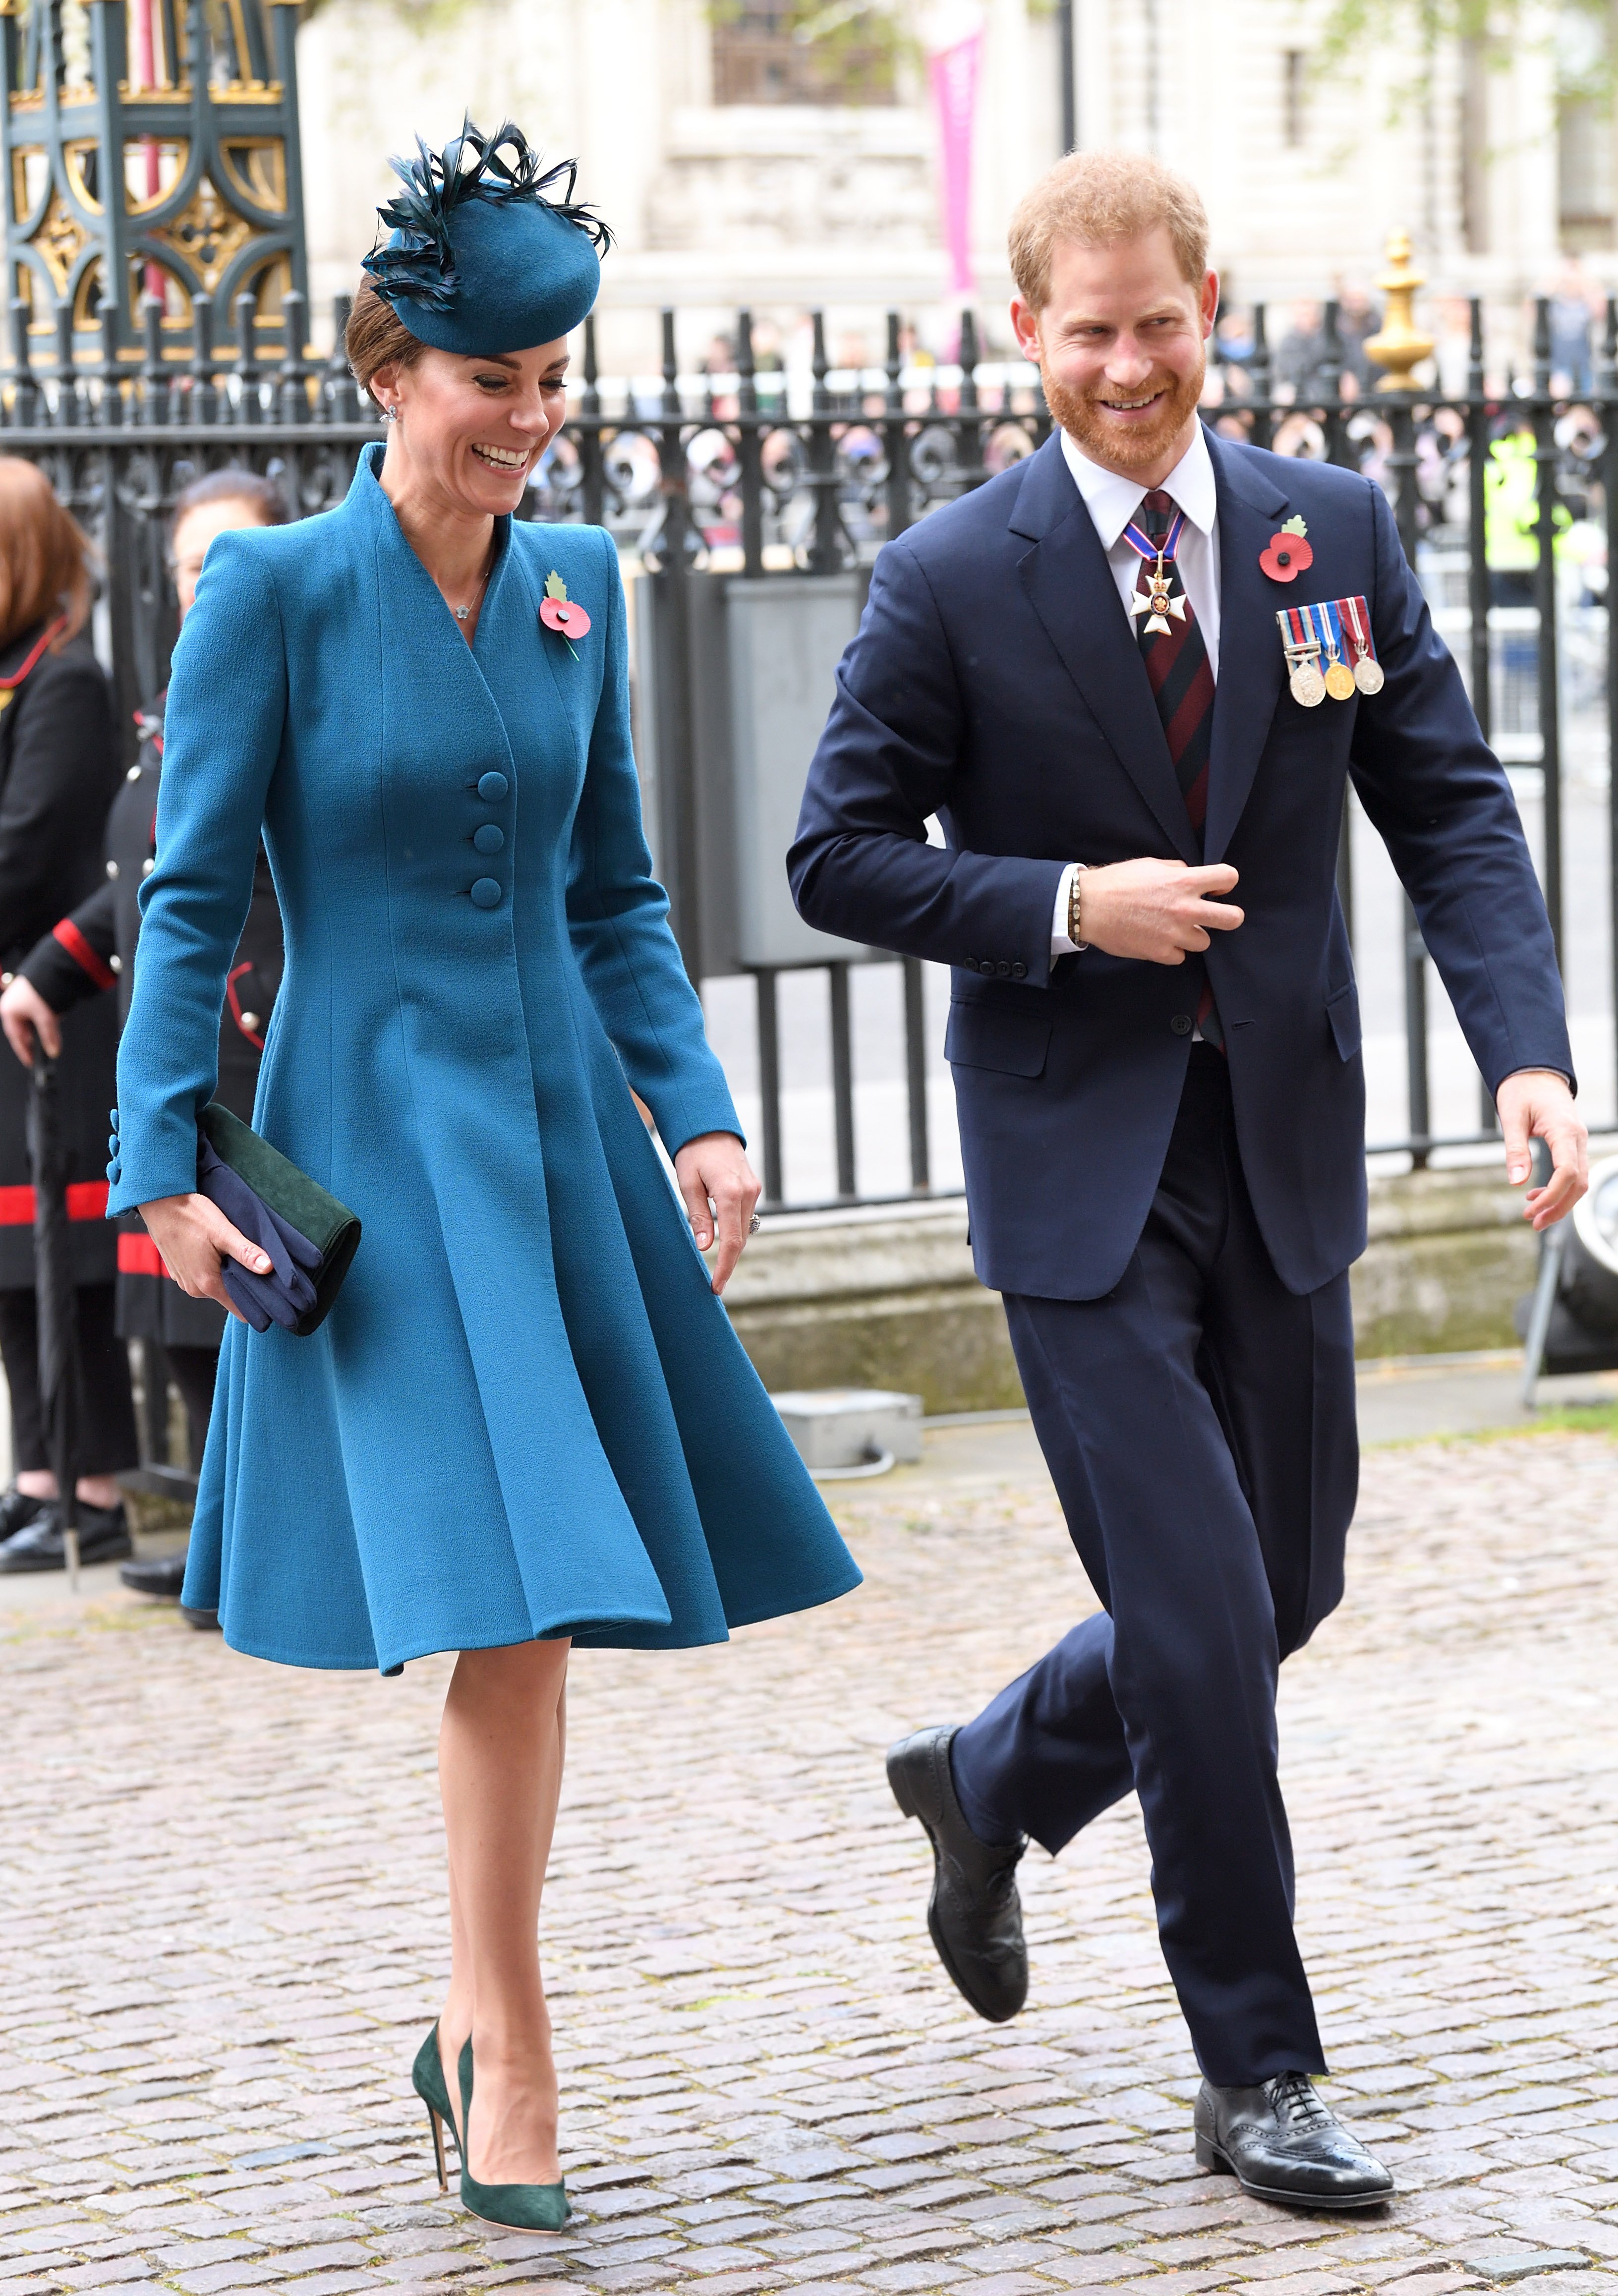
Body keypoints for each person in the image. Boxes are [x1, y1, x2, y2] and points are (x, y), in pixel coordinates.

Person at [790, 149, 1584, 2211]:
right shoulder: (951, 576)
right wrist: (1066, 901)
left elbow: (1455, 806)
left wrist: (1530, 1054)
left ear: (1210, 307)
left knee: (1279, 1584)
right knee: (1207, 1617)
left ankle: (989, 1777)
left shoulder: (1338, 531)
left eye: (1157, 322)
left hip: (1288, 1148)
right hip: (1079, 1174)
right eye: (1087, 329)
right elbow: (835, 851)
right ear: (1026, 333)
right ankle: (1259, 2068)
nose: (1126, 364)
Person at [107, 119, 860, 2230]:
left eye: (557, 382)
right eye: (493, 380)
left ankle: (489, 2030)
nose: (533, 420)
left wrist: (695, 1110)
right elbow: (187, 905)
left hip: (545, 1144)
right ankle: (503, 2033)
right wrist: (157, 1162)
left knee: (523, 1611)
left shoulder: (581, 582)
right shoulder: (271, 591)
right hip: (366, 1136)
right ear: (390, 368)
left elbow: (616, 890)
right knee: (493, 1590)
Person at [2, 469, 289, 1614]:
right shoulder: (174, 701)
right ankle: (229, 1538)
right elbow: (141, 882)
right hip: (164, 1047)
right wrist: (50, 972)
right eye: (185, 569)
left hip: (248, 1043)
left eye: (227, 560)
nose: (204, 587)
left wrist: (266, 991)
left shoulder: (289, 684)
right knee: (177, 1325)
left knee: (242, 1319)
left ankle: (262, 1552)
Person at [0, 459, 136, 1572]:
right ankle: (36, 1470)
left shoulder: (65, 680)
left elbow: (28, 844)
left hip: (56, 1008)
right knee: (9, 1259)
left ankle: (91, 1484)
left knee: (68, 1255)